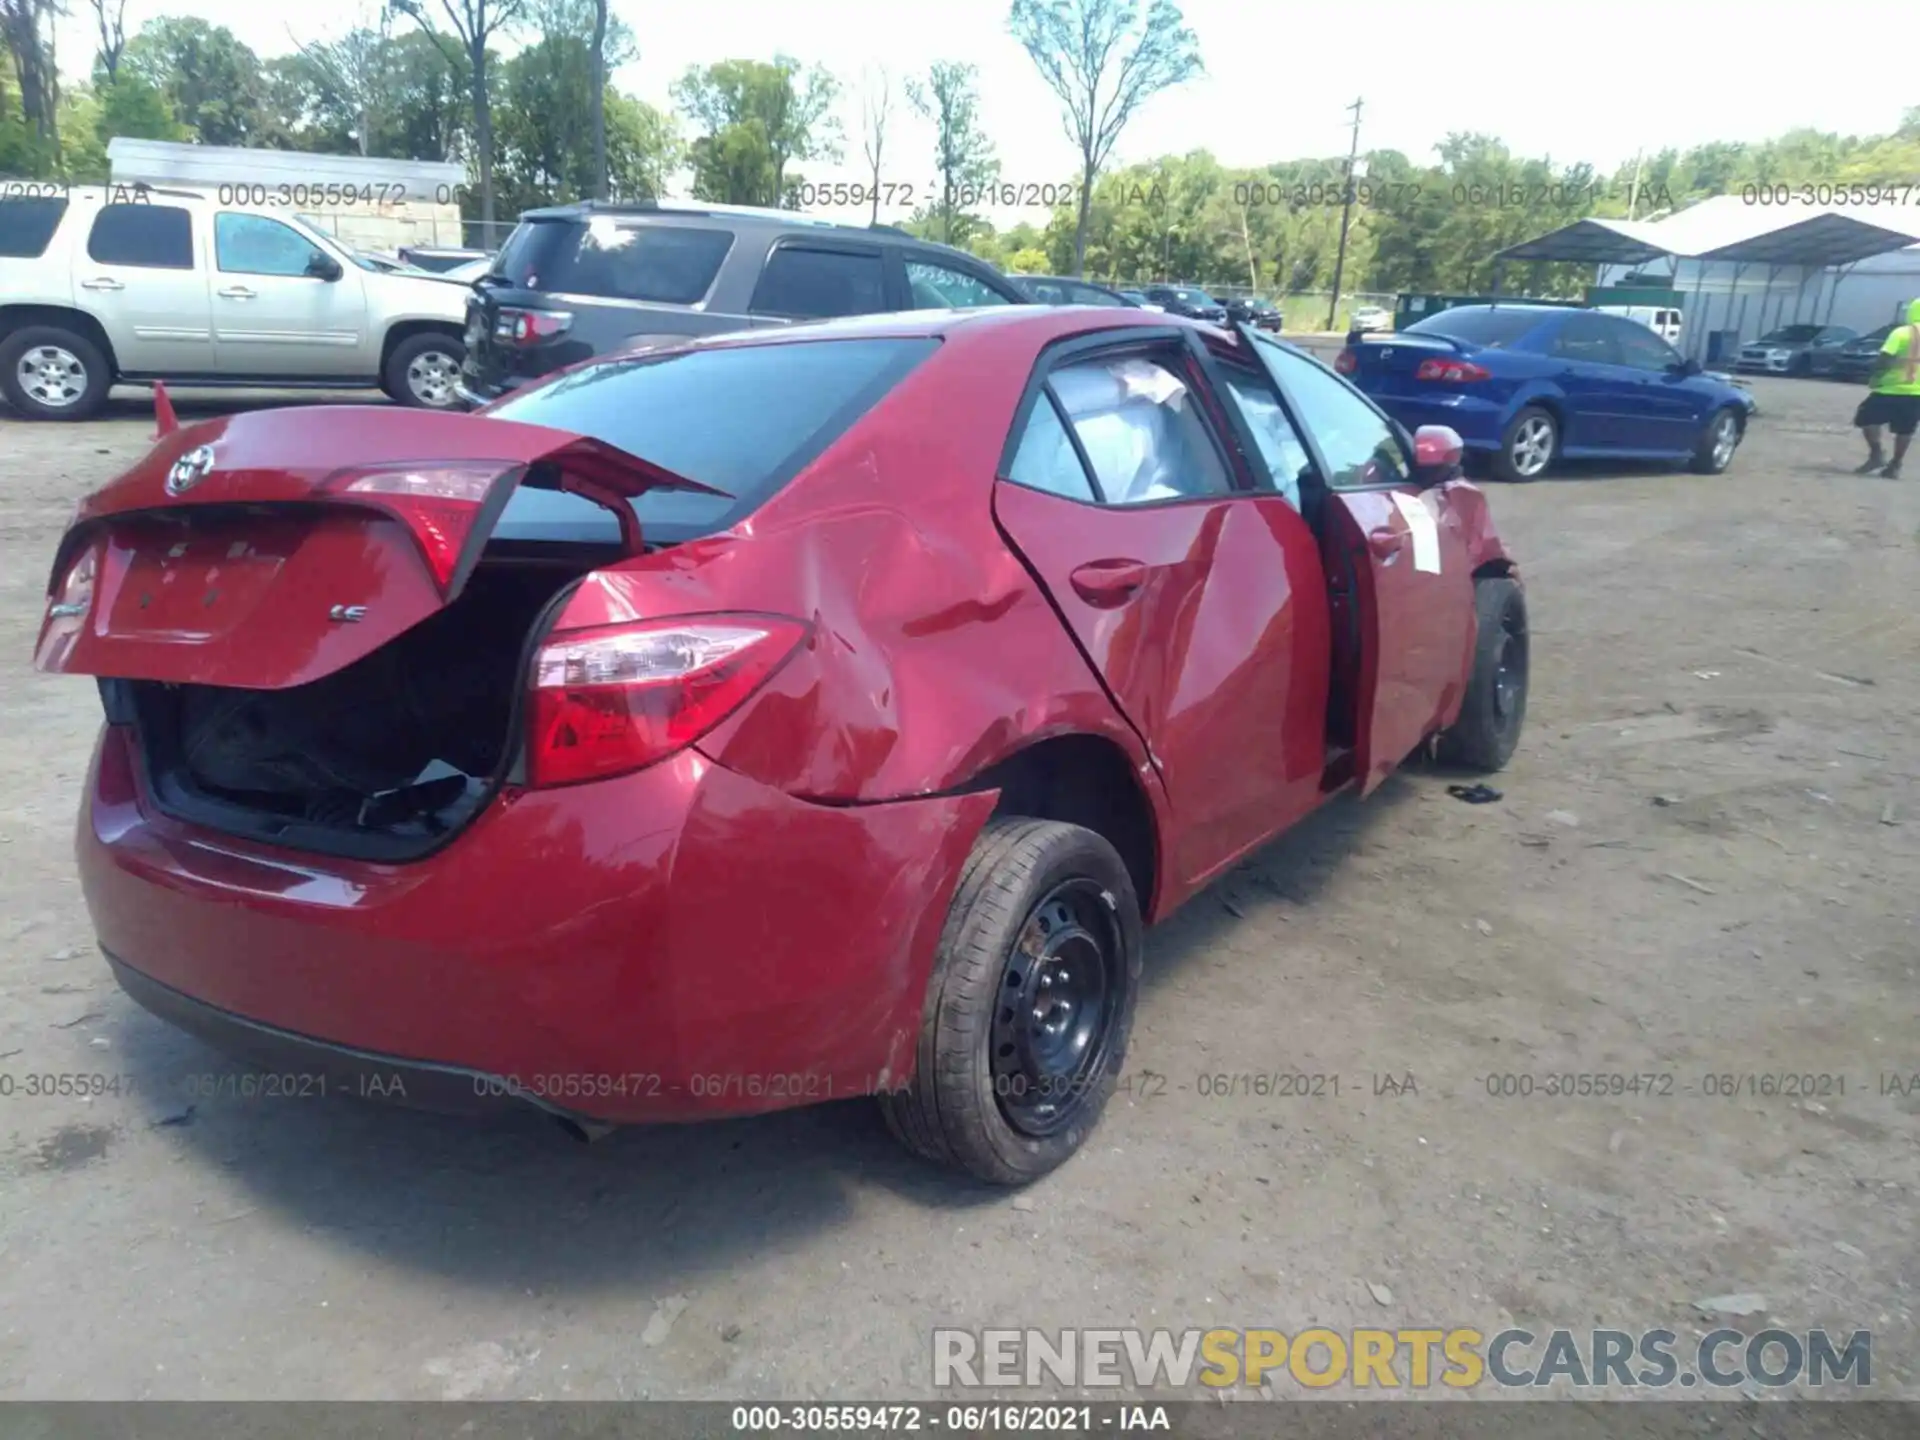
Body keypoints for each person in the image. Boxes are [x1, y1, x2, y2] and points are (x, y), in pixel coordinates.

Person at [1854, 298, 1920, 478]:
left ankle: (1876, 454)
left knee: (1865, 418)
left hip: (1890, 388)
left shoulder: (1902, 333)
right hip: (1916, 392)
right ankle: (1895, 465)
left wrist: (1875, 376)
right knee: (1905, 429)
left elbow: (1884, 357)